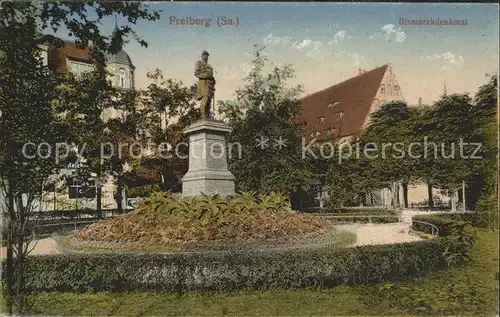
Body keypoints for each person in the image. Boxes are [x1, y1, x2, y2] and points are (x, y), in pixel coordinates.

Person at [194, 50, 216, 118]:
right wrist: (206, 76)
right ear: (202, 56)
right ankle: (202, 114)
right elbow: (197, 74)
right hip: (203, 83)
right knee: (205, 97)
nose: (206, 56)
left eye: (207, 55)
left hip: (210, 84)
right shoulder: (199, 63)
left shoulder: (210, 66)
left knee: (209, 100)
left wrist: (213, 80)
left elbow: (211, 75)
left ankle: (207, 115)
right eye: (204, 55)